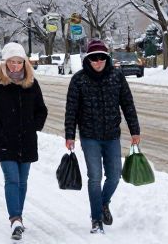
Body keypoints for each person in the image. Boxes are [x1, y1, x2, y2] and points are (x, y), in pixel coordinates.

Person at [64, 39, 141, 234]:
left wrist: (135, 130)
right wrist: (70, 135)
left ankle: (103, 203)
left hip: (112, 135)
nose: (98, 62)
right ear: (88, 59)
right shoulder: (79, 79)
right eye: (94, 58)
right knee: (95, 177)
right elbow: (71, 109)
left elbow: (128, 104)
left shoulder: (117, 76)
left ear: (107, 58)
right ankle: (96, 219)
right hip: (89, 136)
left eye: (102, 58)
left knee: (114, 175)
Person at [0, 42, 48, 241]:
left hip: (27, 141)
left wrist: (34, 126)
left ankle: (19, 216)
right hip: (5, 142)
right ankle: (15, 219)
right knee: (12, 179)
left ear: (24, 63)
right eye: (12, 62)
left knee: (23, 181)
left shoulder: (32, 84)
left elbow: (41, 110)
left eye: (19, 62)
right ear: (5, 63)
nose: (15, 66)